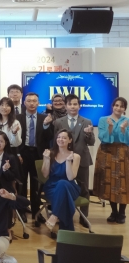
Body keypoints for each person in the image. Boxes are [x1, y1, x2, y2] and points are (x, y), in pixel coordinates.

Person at [51, 93, 95, 221]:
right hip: (63, 160)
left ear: (79, 106)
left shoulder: (87, 121)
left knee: (84, 189)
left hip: (82, 160)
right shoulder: (59, 122)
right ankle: (61, 215)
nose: (72, 107)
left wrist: (88, 134)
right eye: (70, 104)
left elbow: (91, 142)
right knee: (63, 186)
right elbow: (56, 141)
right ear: (65, 106)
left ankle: (84, 217)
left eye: (75, 104)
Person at [17, 92, 52, 223]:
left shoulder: (45, 118)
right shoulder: (17, 118)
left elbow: (49, 138)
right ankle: (22, 210)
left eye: (34, 101)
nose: (32, 103)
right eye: (29, 101)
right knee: (21, 183)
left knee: (36, 184)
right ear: (24, 103)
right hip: (22, 153)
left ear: (38, 103)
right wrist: (17, 154)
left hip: (38, 154)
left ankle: (36, 212)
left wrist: (46, 126)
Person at [94, 97, 129, 223]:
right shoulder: (103, 119)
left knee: (123, 183)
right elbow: (103, 138)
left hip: (122, 152)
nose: (118, 108)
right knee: (109, 181)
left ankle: (122, 213)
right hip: (106, 152)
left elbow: (127, 140)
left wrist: (124, 129)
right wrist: (110, 127)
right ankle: (113, 211)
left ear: (125, 109)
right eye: (116, 105)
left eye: (121, 106)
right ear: (112, 106)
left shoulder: (127, 121)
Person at [42, 130, 82, 232]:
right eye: (59, 137)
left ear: (70, 140)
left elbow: (70, 178)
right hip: (52, 187)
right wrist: (46, 159)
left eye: (64, 138)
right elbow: (45, 174)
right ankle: (67, 235)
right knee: (65, 199)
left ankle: (54, 215)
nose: (61, 139)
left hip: (70, 186)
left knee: (62, 183)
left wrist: (68, 161)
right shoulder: (49, 153)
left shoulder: (75, 156)